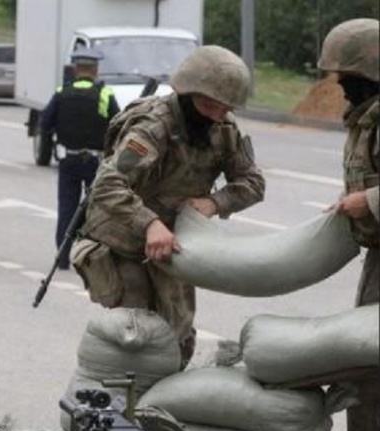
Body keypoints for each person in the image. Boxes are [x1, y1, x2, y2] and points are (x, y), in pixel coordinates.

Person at [74, 45, 266, 368]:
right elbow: (107, 185)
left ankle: (161, 409)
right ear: (187, 95)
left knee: (179, 338)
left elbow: (253, 184)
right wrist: (149, 224)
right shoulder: (153, 127)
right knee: (136, 336)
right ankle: (123, 410)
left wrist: (213, 202)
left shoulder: (224, 129)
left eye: (224, 108)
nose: (216, 116)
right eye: (208, 106)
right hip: (126, 243)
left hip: (175, 244)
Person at [318, 18, 379, 431]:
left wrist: (370, 202)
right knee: (367, 358)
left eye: (349, 77)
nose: (340, 85)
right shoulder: (365, 120)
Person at [40, 48, 120, 270]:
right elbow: (118, 124)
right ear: (95, 70)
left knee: (67, 208)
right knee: (95, 210)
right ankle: (92, 257)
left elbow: (45, 124)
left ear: (76, 69)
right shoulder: (104, 94)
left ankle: (63, 258)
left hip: (68, 160)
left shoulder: (61, 93)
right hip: (95, 162)